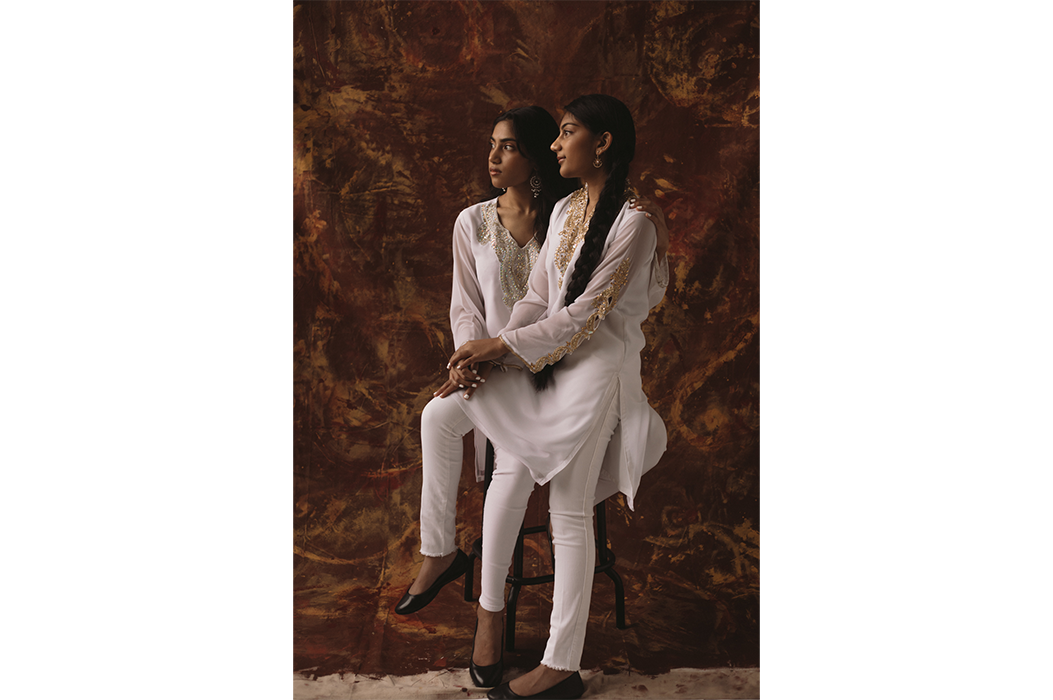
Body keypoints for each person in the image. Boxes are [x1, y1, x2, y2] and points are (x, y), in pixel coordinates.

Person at [395, 105, 669, 623]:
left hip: (566, 373)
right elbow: (503, 304)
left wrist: (500, 350)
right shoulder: (545, 215)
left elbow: (581, 317)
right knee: (436, 415)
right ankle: (444, 557)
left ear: (600, 143)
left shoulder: (613, 219)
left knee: (527, 478)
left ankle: (492, 617)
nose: (496, 156)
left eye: (512, 145)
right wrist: (477, 358)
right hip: (512, 361)